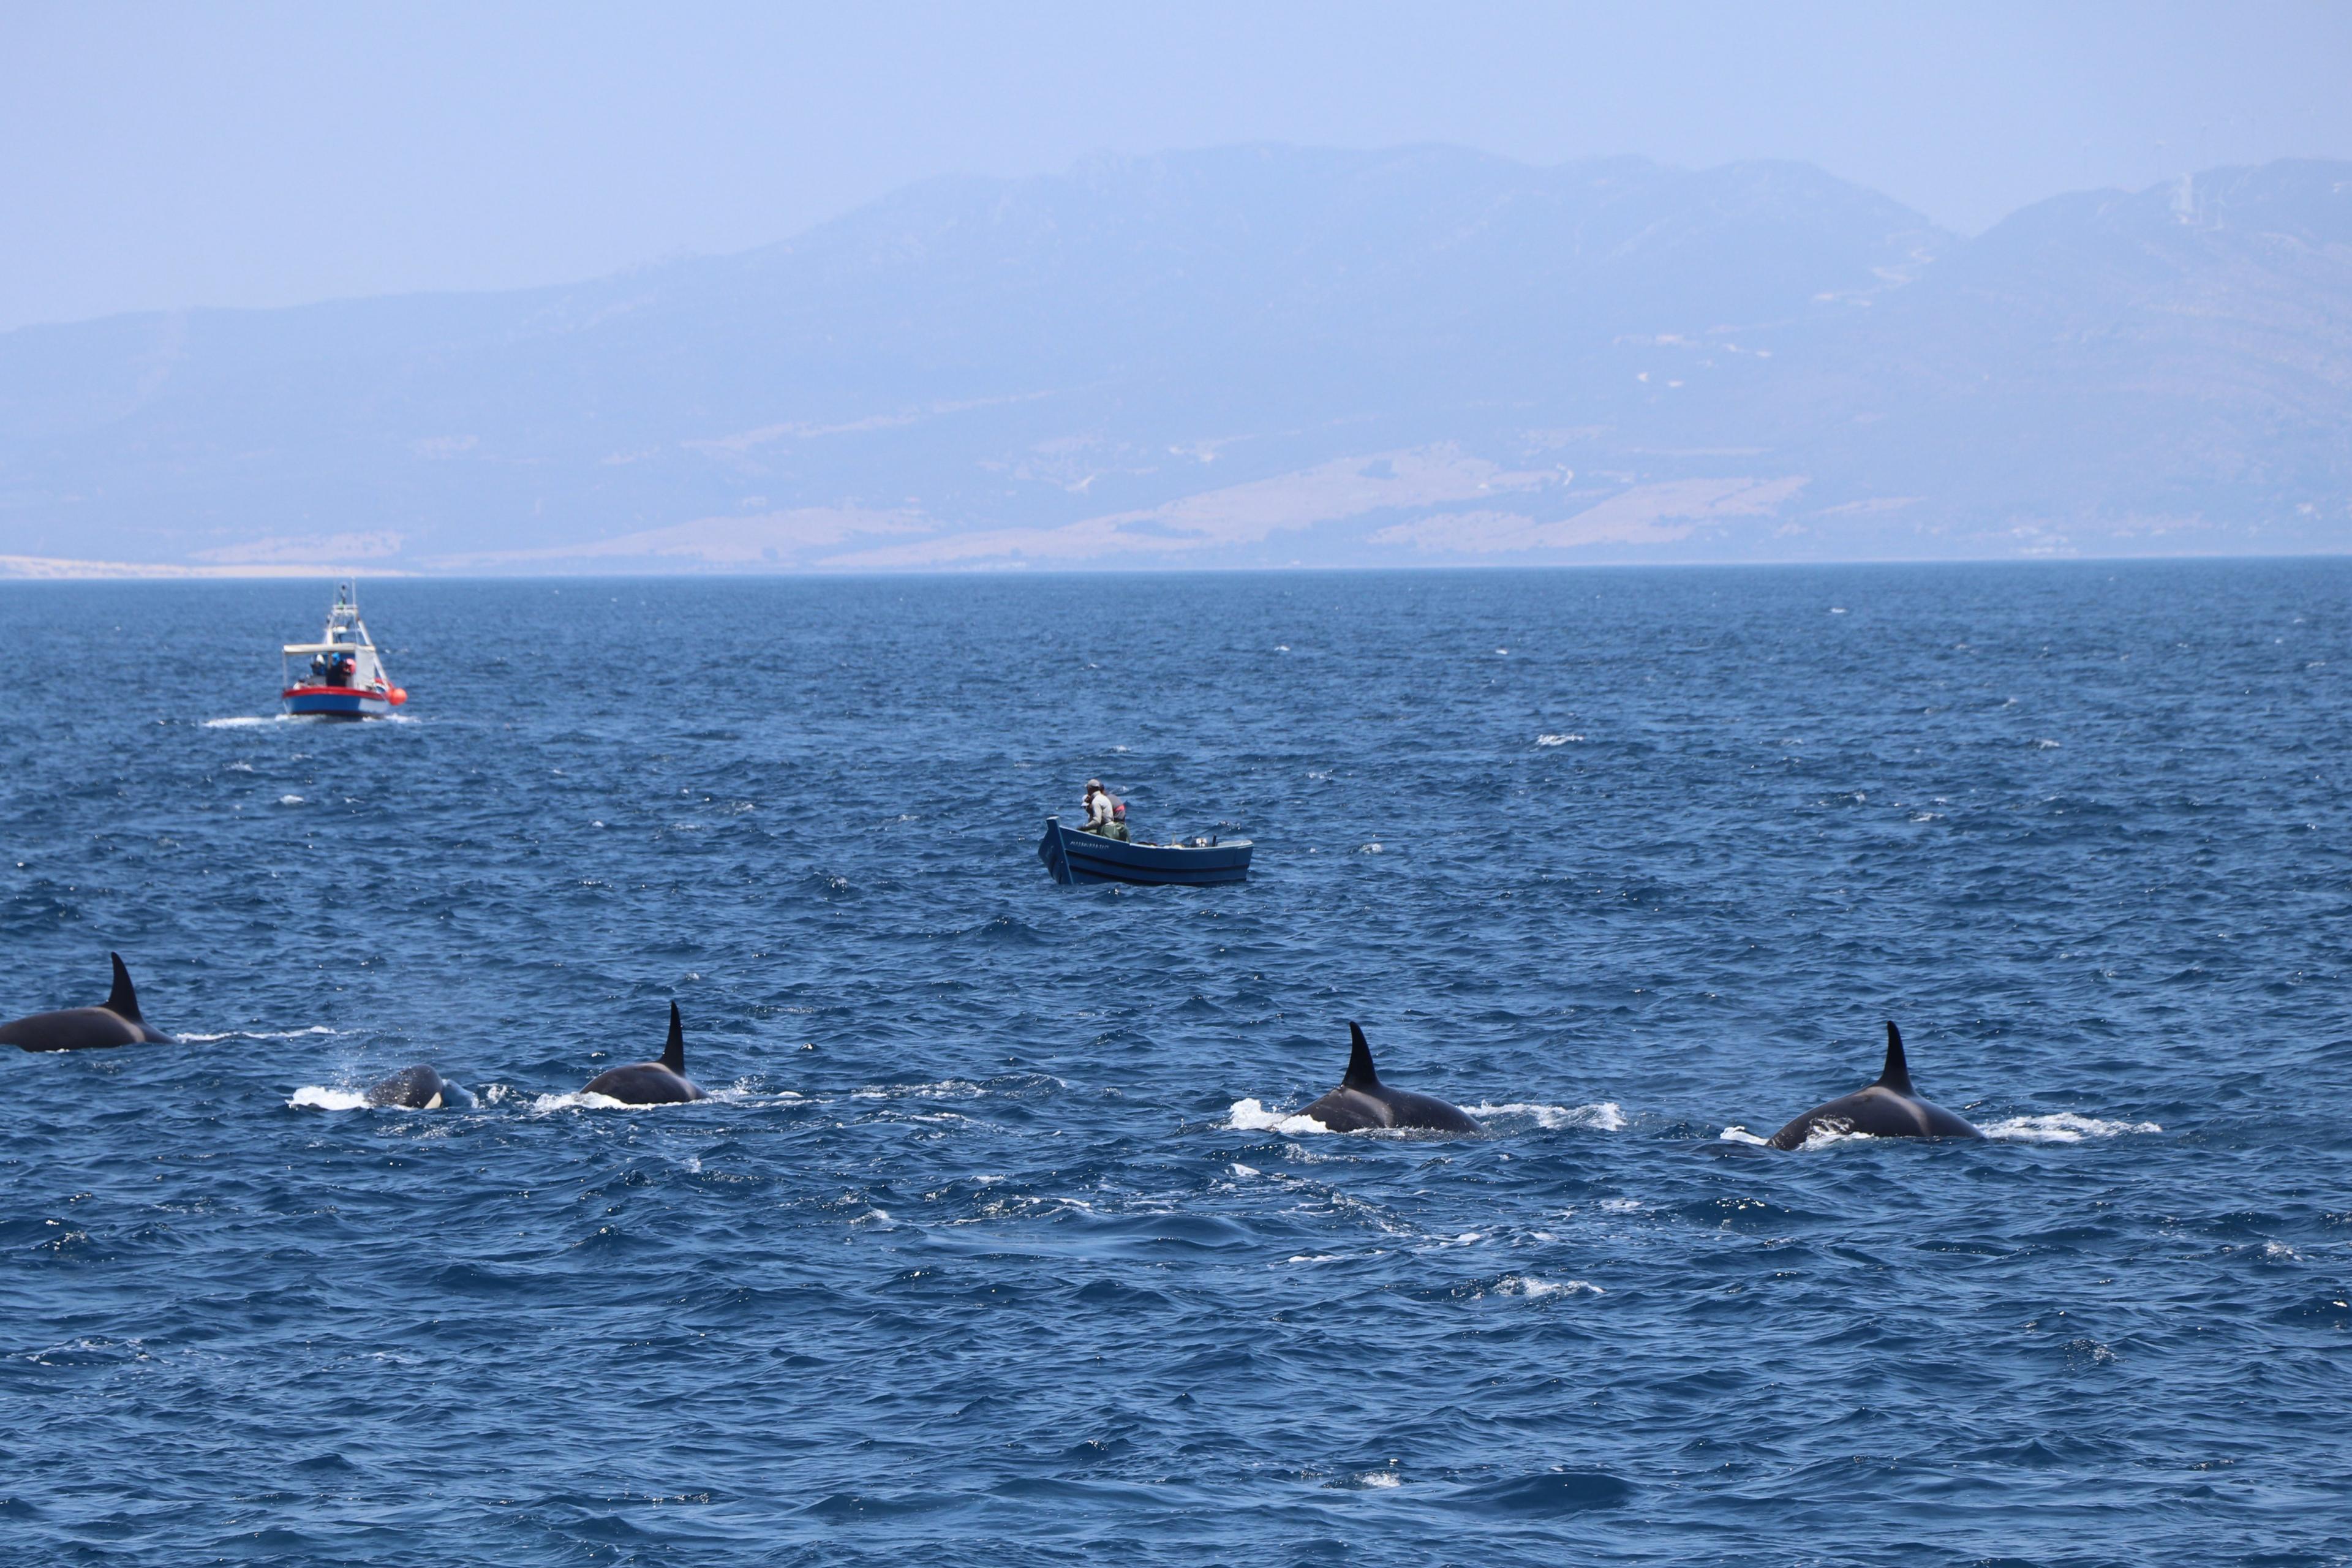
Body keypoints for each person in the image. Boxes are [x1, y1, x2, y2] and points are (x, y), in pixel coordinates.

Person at [1081, 778, 1130, 842]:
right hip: (1118, 825)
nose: (1086, 809)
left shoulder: (1096, 801)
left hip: (1108, 829)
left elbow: (1097, 822)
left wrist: (1084, 827)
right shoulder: (1105, 798)